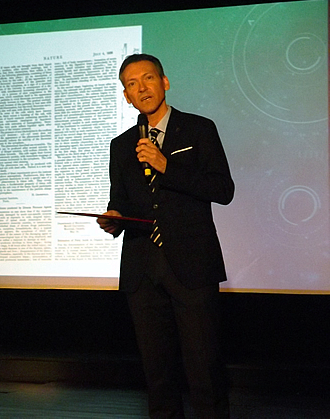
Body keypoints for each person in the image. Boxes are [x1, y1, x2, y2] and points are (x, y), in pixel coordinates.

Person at [97, 54, 234, 418]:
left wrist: (166, 166)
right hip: (142, 270)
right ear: (126, 96)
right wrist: (113, 218)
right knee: (158, 376)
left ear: (164, 82)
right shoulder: (121, 145)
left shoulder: (199, 130)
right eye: (131, 84)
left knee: (204, 371)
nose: (141, 88)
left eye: (148, 78)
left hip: (192, 267)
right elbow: (120, 200)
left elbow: (223, 190)